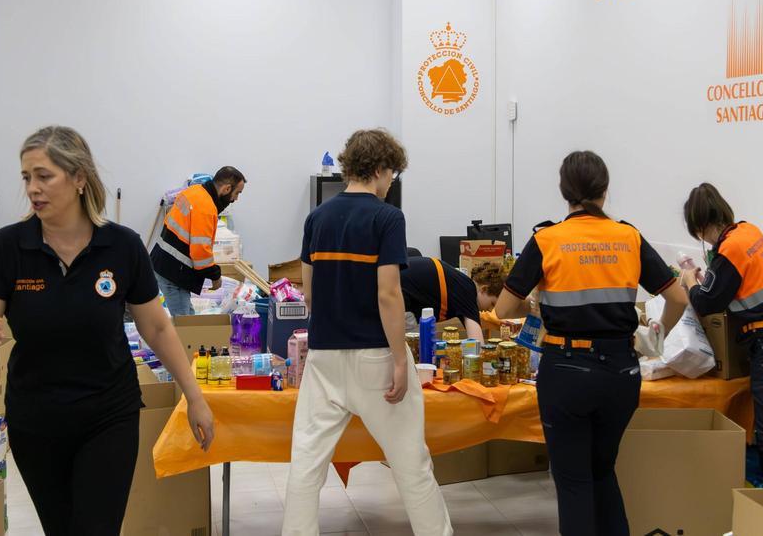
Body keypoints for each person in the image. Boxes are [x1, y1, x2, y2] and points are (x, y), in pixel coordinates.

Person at [0, 126, 215, 536]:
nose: (33, 189)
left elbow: (157, 327)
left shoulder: (122, 246)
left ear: (79, 179)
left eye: (44, 176)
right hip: (35, 420)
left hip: (109, 414)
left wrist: (194, 398)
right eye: (26, 178)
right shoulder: (8, 248)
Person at [495, 150, 688, 536]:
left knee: (574, 482)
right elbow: (679, 298)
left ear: (564, 191)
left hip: (566, 371)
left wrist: (535, 302)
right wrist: (654, 338)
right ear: (605, 190)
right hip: (621, 371)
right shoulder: (628, 237)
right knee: (602, 472)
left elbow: (502, 309)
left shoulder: (548, 239)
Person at [282, 129, 452, 536]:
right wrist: (398, 358)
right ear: (378, 169)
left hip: (324, 355)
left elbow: (309, 292)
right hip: (375, 355)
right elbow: (389, 294)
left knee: (307, 462)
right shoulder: (386, 217)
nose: (392, 181)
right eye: (392, 173)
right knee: (411, 463)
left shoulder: (317, 218)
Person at [678, 182, 763, 488]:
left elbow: (706, 302)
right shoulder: (749, 232)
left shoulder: (730, 249)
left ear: (700, 226)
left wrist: (689, 281)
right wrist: (709, 280)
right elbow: (733, 286)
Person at [150, 166, 246, 317]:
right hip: (173, 272)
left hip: (166, 264)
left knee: (189, 319)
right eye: (237, 193)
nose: (236, 199)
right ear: (227, 189)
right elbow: (200, 252)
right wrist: (215, 277)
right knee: (184, 326)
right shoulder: (205, 208)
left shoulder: (194, 191)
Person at [400, 257, 504, 342]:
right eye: (492, 303)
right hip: (399, 291)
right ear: (484, 289)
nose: (490, 310)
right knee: (414, 347)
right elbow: (477, 343)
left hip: (401, 287)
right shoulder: (468, 292)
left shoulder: (463, 287)